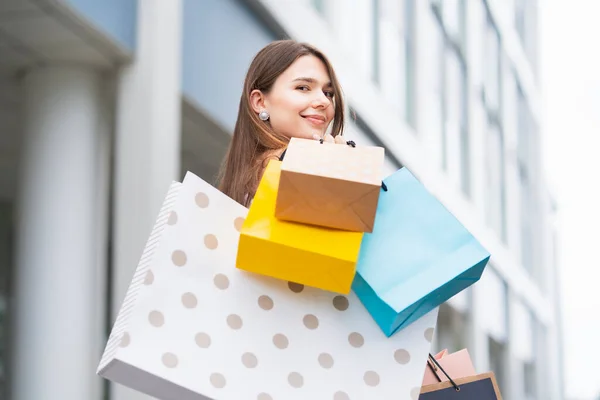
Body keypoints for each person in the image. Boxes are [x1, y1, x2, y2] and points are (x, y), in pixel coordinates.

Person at [217, 40, 348, 207]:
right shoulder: (298, 167)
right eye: (303, 88)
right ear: (259, 102)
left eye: (328, 93)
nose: (324, 101)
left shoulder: (242, 182)